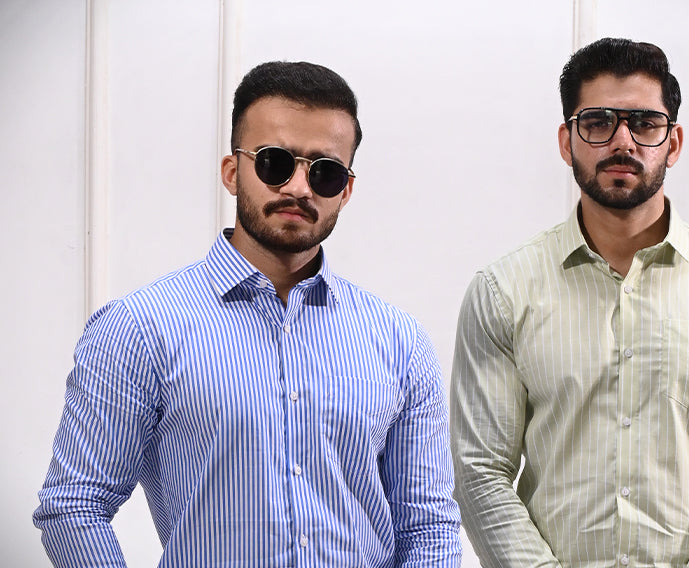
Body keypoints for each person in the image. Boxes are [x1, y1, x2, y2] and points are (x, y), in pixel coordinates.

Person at [34, 61, 462, 567]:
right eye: (275, 163)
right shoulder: (139, 328)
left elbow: (428, 524)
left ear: (345, 190)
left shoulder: (399, 341)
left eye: (324, 172)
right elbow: (74, 504)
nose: (299, 188)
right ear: (232, 172)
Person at [450, 38, 689, 568]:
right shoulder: (503, 291)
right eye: (597, 122)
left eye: (644, 124)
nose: (622, 141)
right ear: (566, 141)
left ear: (673, 142)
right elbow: (481, 472)